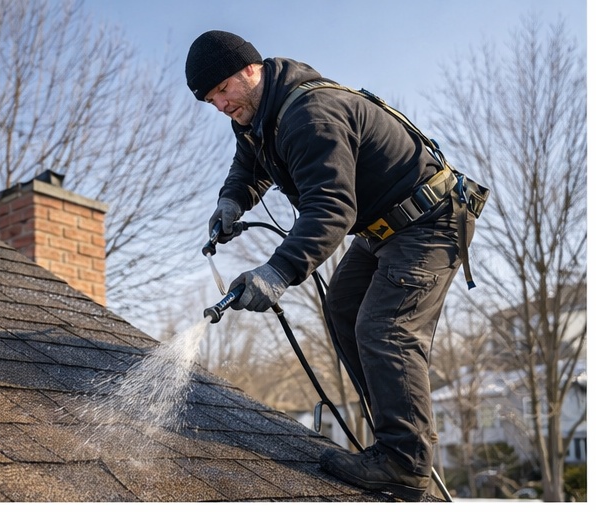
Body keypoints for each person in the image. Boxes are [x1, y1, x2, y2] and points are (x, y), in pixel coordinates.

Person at [185, 30, 481, 502]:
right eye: (210, 100)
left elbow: (331, 208)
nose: (220, 104)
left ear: (251, 69)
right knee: (343, 309)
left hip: (429, 220)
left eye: (223, 90)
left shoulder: (310, 115)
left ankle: (404, 462)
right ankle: (396, 433)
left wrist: (278, 272)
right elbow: (250, 165)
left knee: (384, 329)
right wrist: (231, 201)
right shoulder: (255, 115)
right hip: (383, 228)